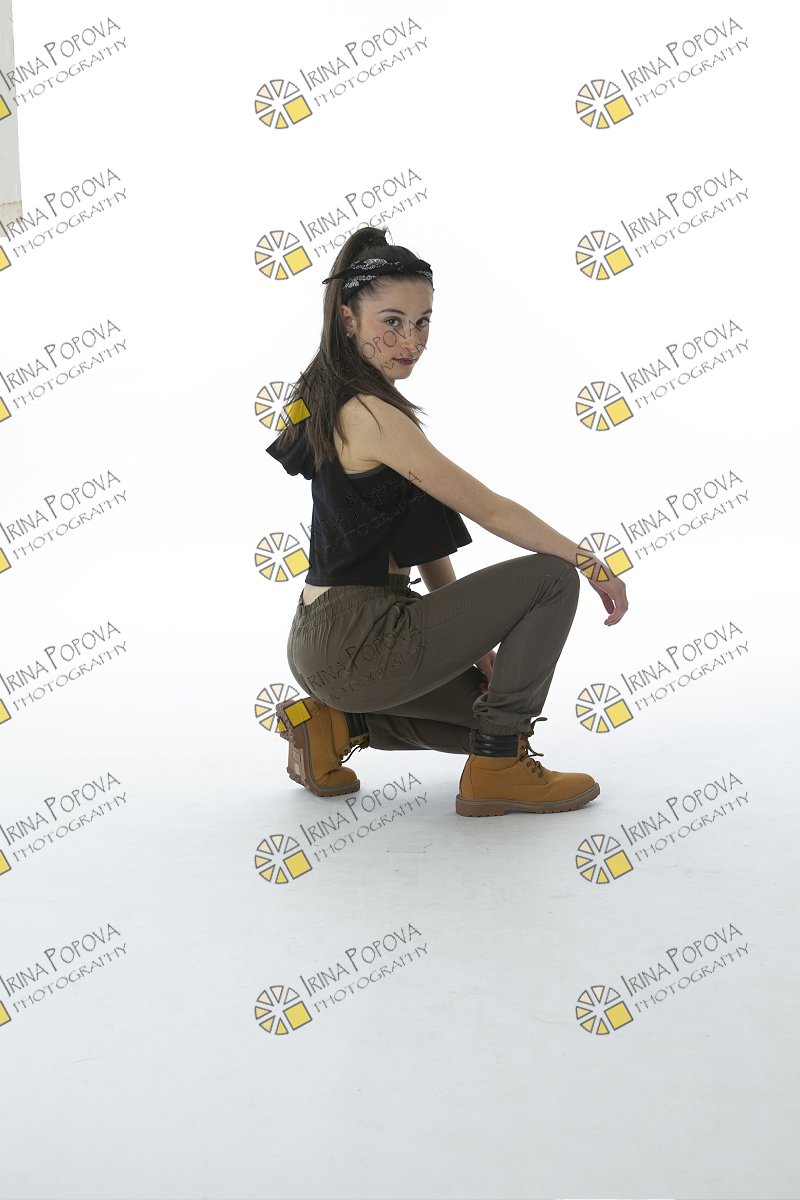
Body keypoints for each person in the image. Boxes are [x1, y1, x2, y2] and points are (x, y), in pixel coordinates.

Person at [267, 227, 628, 817]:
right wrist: (588, 560)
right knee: (552, 578)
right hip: (361, 636)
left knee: (484, 715)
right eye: (391, 321)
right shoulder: (372, 415)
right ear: (348, 318)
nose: (410, 340)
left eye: (423, 322)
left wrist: (472, 649)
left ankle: (334, 724)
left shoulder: (336, 397)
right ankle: (498, 770)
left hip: (321, 641)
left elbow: (423, 542)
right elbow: (490, 508)